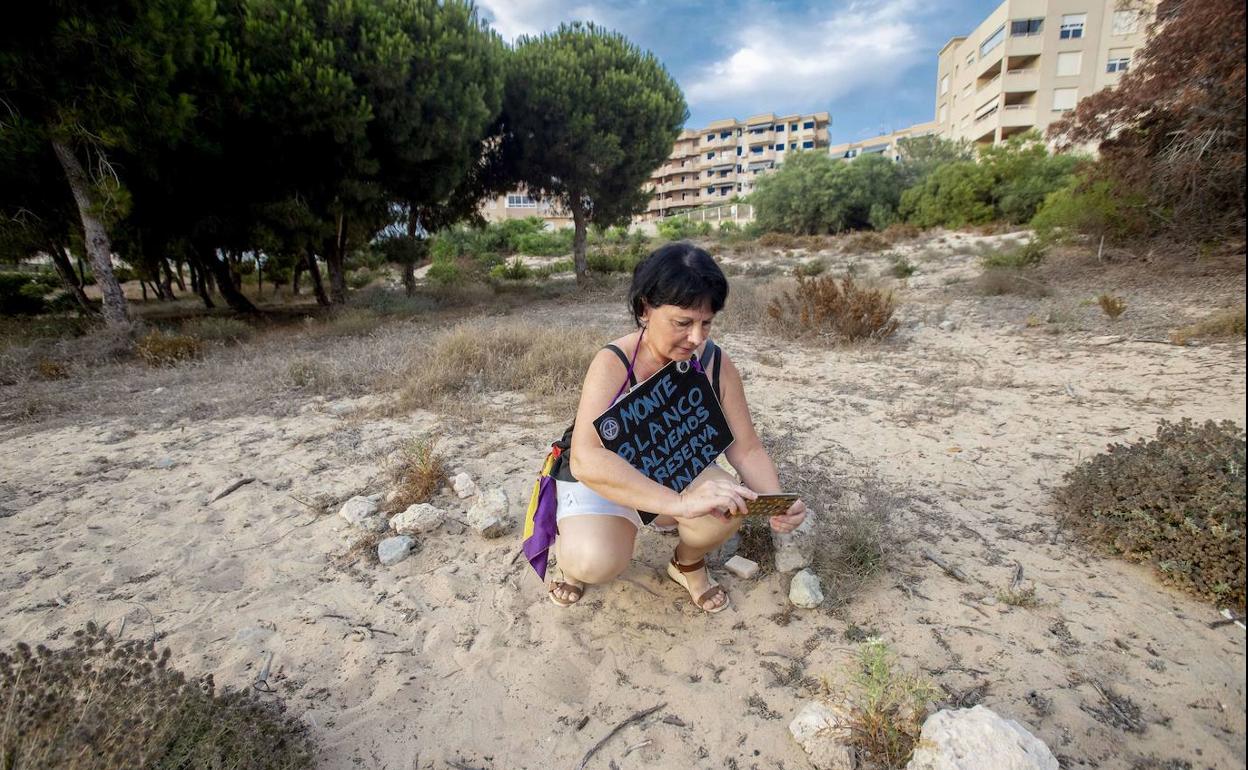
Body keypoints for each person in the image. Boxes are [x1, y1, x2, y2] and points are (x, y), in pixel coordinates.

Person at [546, 241, 808, 613]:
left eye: (706, 323)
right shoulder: (614, 363)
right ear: (644, 310)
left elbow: (746, 448)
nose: (697, 338)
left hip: (671, 464)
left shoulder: (715, 362)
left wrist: (778, 500)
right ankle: (571, 553)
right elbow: (587, 459)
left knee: (727, 505)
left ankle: (687, 562)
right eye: (683, 323)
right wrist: (681, 504)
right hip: (606, 478)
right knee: (593, 560)